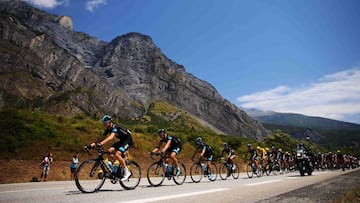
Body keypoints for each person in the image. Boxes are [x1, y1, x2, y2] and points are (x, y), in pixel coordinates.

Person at [90, 115, 133, 181]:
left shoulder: (115, 127)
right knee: (109, 150)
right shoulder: (108, 129)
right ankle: (113, 170)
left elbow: (111, 137)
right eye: (103, 123)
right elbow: (102, 137)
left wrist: (101, 144)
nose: (104, 125)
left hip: (128, 140)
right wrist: (93, 144)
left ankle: (127, 173)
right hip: (122, 141)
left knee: (117, 154)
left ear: (109, 122)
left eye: (105, 123)